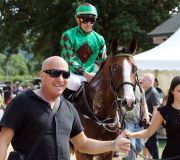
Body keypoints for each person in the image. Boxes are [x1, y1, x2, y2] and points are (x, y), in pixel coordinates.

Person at [0, 56, 130, 160]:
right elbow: (3, 141)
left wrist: (114, 144)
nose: (60, 79)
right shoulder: (21, 102)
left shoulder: (68, 108)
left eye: (65, 74)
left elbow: (83, 144)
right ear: (42, 76)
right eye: (54, 73)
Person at [126, 76, 180, 160]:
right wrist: (131, 134)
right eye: (179, 91)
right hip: (169, 156)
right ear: (172, 91)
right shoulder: (164, 111)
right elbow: (148, 132)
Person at [60, 3, 107, 98]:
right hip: (73, 74)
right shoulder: (67, 35)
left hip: (93, 74)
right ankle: (61, 108)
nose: (89, 24)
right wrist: (85, 73)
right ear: (77, 19)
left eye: (92, 20)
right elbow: (69, 60)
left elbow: (102, 60)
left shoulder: (100, 39)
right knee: (73, 83)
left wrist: (96, 74)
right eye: (85, 20)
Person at [122, 85, 149, 160]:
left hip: (138, 122)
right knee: (132, 145)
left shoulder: (140, 89)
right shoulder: (123, 88)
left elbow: (144, 104)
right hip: (127, 121)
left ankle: (127, 158)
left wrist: (146, 114)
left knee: (140, 145)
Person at [141, 73, 161, 159]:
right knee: (147, 143)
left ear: (149, 82)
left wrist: (152, 124)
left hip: (151, 124)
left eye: (143, 80)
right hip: (145, 123)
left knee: (152, 143)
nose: (141, 81)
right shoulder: (145, 91)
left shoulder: (153, 92)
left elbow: (156, 109)